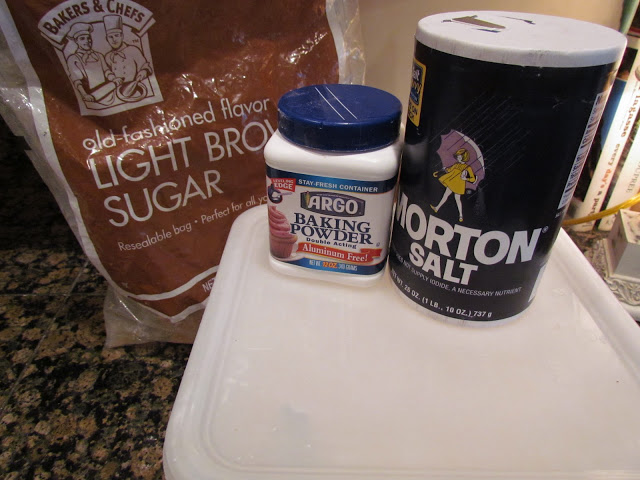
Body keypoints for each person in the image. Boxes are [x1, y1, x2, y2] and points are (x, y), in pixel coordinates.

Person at [65, 22, 116, 104]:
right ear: (76, 41)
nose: (87, 41)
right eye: (82, 38)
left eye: (88, 38)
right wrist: (84, 95)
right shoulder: (73, 59)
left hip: (108, 91)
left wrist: (114, 79)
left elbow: (106, 71)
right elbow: (76, 80)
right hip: (92, 96)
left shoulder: (99, 55)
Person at [103, 15, 152, 88]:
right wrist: (112, 78)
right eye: (110, 37)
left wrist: (144, 71)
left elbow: (145, 66)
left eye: (116, 35)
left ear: (122, 36)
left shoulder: (133, 50)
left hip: (134, 86)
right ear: (107, 39)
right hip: (117, 89)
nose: (114, 39)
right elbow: (107, 72)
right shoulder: (108, 56)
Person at [430, 148, 476, 222]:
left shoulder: (467, 168)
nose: (458, 158)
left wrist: (466, 179)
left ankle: (461, 215)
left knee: (457, 199)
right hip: (452, 183)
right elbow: (449, 170)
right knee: (445, 195)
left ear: (464, 157)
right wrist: (440, 171)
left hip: (459, 185)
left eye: (460, 156)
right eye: (458, 156)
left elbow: (473, 179)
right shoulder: (456, 164)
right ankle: (437, 208)